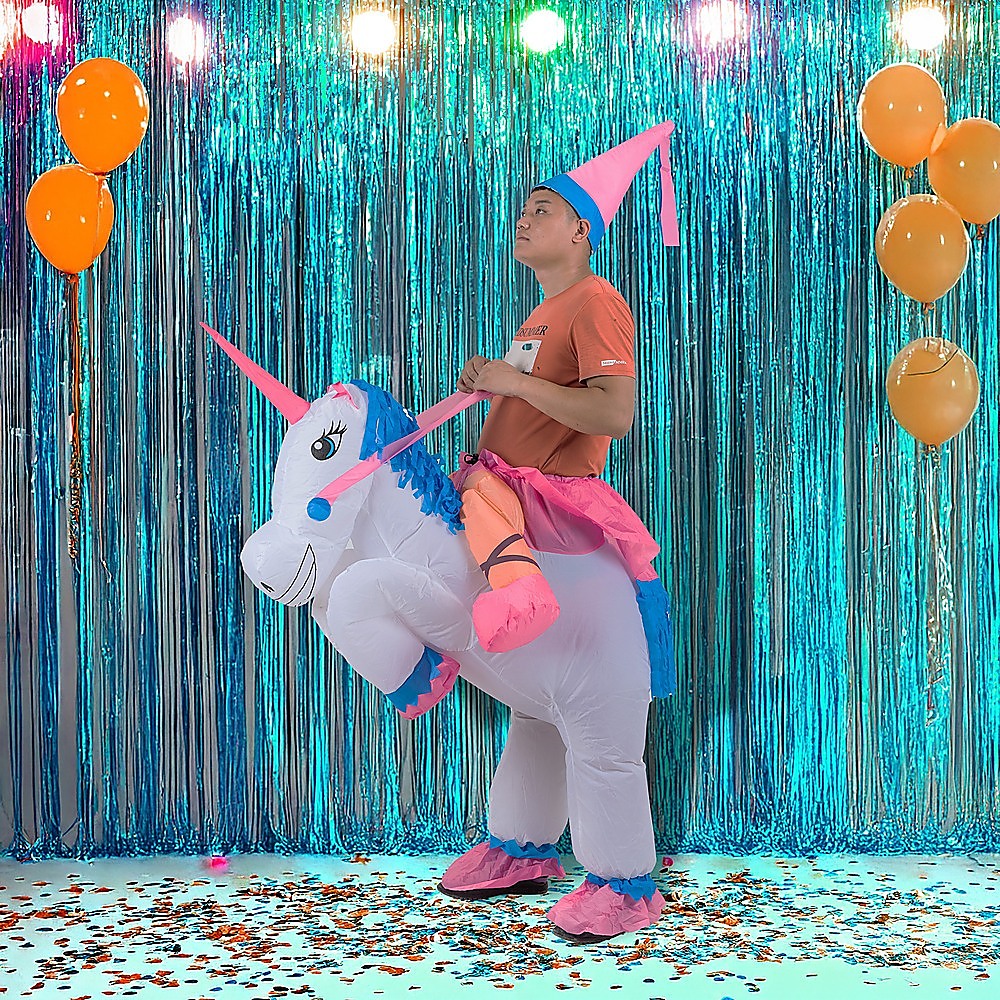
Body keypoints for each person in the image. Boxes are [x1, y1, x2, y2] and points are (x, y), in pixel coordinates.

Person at [439, 123, 680, 943]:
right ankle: (521, 846)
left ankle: (623, 883)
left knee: (587, 710)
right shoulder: (543, 312)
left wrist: (511, 384)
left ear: (581, 229)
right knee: (536, 705)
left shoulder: (596, 300)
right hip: (516, 510)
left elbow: (614, 412)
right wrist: (496, 388)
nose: (524, 218)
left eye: (542, 209)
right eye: (523, 208)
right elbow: (538, 405)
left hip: (562, 519)